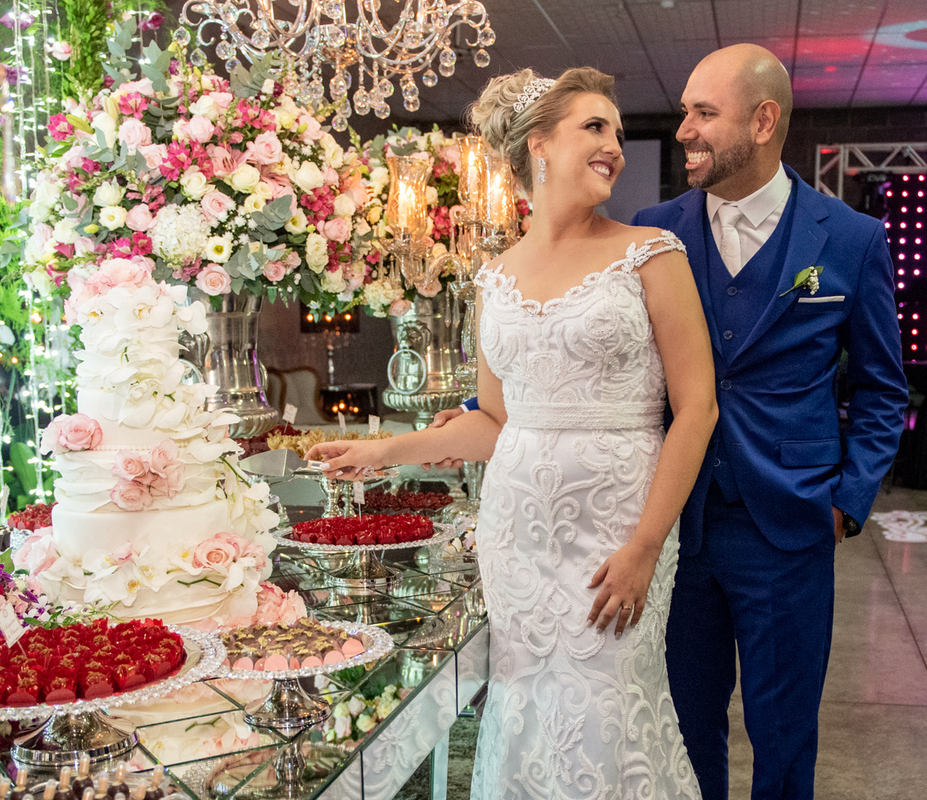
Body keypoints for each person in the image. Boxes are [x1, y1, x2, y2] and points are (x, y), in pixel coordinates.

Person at [429, 44, 908, 800]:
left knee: (785, 733)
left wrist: (846, 502)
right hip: (668, 522)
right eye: (683, 110)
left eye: (703, 113)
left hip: (789, 523)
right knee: (683, 726)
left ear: (763, 120)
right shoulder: (656, 229)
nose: (682, 128)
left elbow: (883, 389)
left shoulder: (849, 239)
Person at [309, 67, 717, 799]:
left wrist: (645, 547)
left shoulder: (652, 255)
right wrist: (383, 451)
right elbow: (494, 425)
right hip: (519, 540)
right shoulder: (493, 278)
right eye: (594, 127)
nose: (614, 147)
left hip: (620, 534)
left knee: (608, 710)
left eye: (618, 134)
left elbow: (698, 410)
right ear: (540, 146)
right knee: (524, 709)